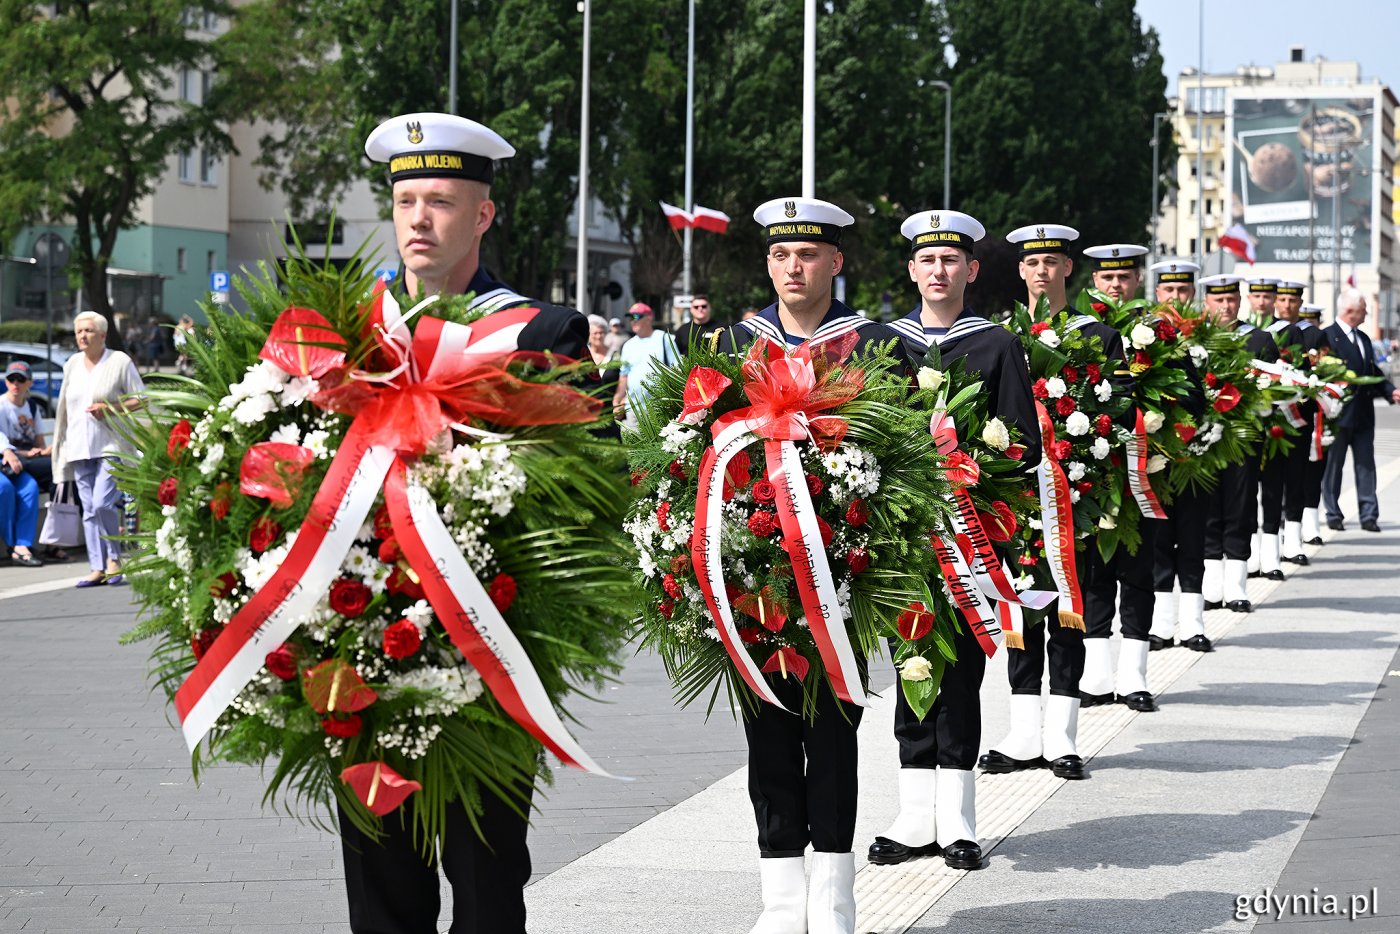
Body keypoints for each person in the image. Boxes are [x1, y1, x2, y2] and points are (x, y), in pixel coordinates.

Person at [358, 110, 589, 934]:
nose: (420, 217)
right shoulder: (344, 330)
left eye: (443, 200)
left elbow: (579, 501)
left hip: (488, 644)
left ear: (483, 215)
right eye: (407, 199)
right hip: (364, 647)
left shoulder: (541, 332)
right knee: (381, 879)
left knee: (488, 877)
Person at [715, 197, 911, 934]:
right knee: (767, 732)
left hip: (843, 576)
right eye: (780, 255)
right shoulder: (735, 343)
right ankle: (779, 897)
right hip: (755, 578)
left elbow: (905, 461)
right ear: (768, 262)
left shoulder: (871, 346)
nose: (793, 268)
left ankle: (833, 893)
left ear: (836, 261)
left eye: (808, 255)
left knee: (833, 732)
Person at [880, 210, 1039, 872]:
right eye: (928, 261)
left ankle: (959, 822)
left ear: (971, 271)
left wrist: (976, 467)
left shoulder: (998, 346)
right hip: (903, 542)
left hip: (972, 543)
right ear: (912, 270)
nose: (939, 272)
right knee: (909, 668)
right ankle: (915, 816)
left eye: (952, 262)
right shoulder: (886, 345)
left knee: (963, 677)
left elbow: (1023, 445)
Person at [1144, 261, 1214, 653]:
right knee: (1157, 544)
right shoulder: (1145, 337)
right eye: (1168, 291)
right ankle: (1161, 625)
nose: (1175, 298)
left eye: (1182, 291)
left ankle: (1193, 624)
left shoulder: (1209, 339)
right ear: (1157, 295)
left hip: (1194, 459)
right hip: (1153, 459)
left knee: (1192, 540)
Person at [1198, 275, 1278, 612]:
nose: (1226, 306)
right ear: (1207, 303)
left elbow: (1275, 394)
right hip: (1202, 442)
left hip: (1243, 442)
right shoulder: (1194, 340)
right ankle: (1211, 586)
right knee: (1206, 512)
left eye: (1231, 299)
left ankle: (1237, 586)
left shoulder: (1259, 340)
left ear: (1240, 301)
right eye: (1219, 300)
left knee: (1241, 509)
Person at [51, 312, 145, 586]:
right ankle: (97, 566)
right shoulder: (71, 364)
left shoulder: (118, 361)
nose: (82, 336)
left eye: (89, 331)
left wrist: (111, 409)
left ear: (102, 335)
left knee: (103, 503)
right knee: (89, 508)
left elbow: (142, 398)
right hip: (78, 445)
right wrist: (61, 444)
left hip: (111, 444)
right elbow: (64, 408)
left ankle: (114, 559)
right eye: (79, 331)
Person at [1322, 289, 1400, 533]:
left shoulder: (1364, 339)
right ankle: (1333, 513)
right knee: (1333, 467)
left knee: (1366, 466)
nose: (1366, 313)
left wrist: (1390, 391)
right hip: (1338, 415)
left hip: (1364, 415)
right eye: (1363, 309)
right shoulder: (1327, 338)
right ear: (1349, 311)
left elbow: (1372, 372)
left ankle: (1369, 514)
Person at [1295, 303, 1333, 545]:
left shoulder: (1320, 338)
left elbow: (1331, 371)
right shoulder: (1284, 335)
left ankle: (1310, 523)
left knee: (1313, 473)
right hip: (1287, 417)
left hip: (1316, 419)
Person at [612, 302, 678, 430]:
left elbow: (676, 369)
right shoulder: (628, 345)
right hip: (633, 408)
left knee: (659, 447)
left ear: (649, 318)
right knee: (632, 447)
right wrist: (617, 399)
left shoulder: (664, 338)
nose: (632, 321)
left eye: (636, 317)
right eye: (630, 318)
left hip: (660, 406)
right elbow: (624, 376)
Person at [583, 314, 621, 438]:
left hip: (610, 411)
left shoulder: (614, 355)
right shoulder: (583, 354)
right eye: (595, 333)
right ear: (589, 335)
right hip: (586, 410)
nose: (598, 336)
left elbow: (623, 380)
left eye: (601, 333)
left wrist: (620, 401)